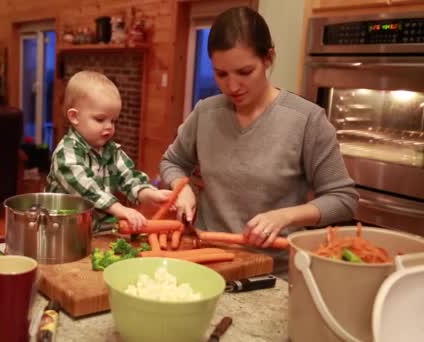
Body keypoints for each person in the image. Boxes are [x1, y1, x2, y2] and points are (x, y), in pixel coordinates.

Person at [160, 7, 358, 254]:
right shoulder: (205, 113)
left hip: (275, 270)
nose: (232, 86)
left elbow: (343, 200)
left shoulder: (306, 119)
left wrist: (285, 217)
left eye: (245, 72)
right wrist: (182, 188)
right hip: (206, 255)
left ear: (268, 58)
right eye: (221, 74)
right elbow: (172, 162)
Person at [46, 70, 172, 231]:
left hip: (98, 232)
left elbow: (129, 177)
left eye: (113, 121)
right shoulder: (66, 154)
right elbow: (88, 191)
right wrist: (120, 209)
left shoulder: (111, 150)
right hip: (62, 233)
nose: (109, 127)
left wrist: (149, 194)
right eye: (100, 119)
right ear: (74, 117)